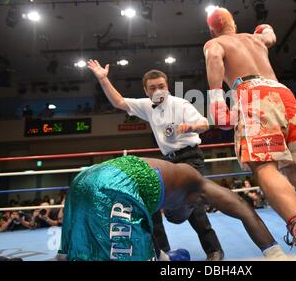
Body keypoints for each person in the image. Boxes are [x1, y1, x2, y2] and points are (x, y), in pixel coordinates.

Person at [203, 7, 296, 252]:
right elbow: (271, 36)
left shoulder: (216, 42)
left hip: (252, 93)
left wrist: (216, 100)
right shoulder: (255, 39)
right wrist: (264, 28)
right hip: (283, 94)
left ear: (212, 29)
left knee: (264, 166)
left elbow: (214, 56)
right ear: (233, 23)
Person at [87, 60, 224, 260]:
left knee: (193, 203)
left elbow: (204, 123)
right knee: (150, 200)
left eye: (161, 86)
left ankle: (214, 251)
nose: (158, 90)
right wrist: (103, 79)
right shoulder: (146, 106)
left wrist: (190, 127)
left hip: (190, 158)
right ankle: (163, 252)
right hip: (168, 161)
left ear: (167, 86)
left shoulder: (180, 104)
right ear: (146, 90)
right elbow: (119, 102)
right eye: (153, 87)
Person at [57, 155, 286, 261]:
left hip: (83, 178)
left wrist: (164, 257)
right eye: (176, 214)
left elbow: (146, 234)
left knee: (77, 253)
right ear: (193, 202)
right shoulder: (198, 183)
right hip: (116, 181)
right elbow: (244, 210)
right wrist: (275, 254)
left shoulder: (157, 191)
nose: (167, 213)